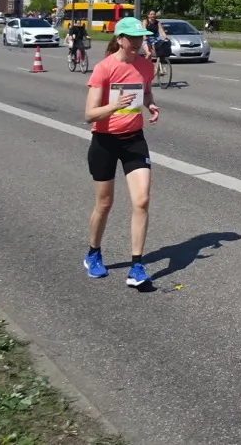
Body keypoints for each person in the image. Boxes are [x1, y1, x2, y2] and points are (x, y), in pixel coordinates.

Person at [82, 17, 159, 287]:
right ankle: (93, 253)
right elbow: (89, 114)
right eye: (134, 38)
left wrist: (150, 105)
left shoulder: (145, 67)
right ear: (121, 39)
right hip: (104, 140)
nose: (139, 42)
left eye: (141, 38)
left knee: (142, 201)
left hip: (133, 139)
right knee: (104, 204)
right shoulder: (104, 69)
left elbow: (146, 92)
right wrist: (114, 106)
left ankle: (137, 266)